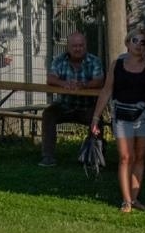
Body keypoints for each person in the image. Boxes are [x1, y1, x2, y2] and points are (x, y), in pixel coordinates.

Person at [89, 29, 145, 213]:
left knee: (139, 156)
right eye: (135, 40)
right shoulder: (117, 64)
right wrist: (96, 117)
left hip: (144, 115)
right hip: (121, 115)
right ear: (127, 43)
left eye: (143, 42)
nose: (138, 44)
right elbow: (106, 90)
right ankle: (126, 201)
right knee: (125, 157)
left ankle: (135, 197)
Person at [39, 31, 104, 168]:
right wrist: (64, 84)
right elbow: (50, 78)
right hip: (64, 105)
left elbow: (99, 81)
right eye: (74, 46)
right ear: (67, 47)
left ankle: (94, 157)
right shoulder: (58, 60)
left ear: (85, 46)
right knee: (48, 114)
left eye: (81, 45)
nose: (78, 49)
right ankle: (48, 157)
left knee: (97, 119)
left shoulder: (94, 60)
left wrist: (83, 85)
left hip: (87, 107)